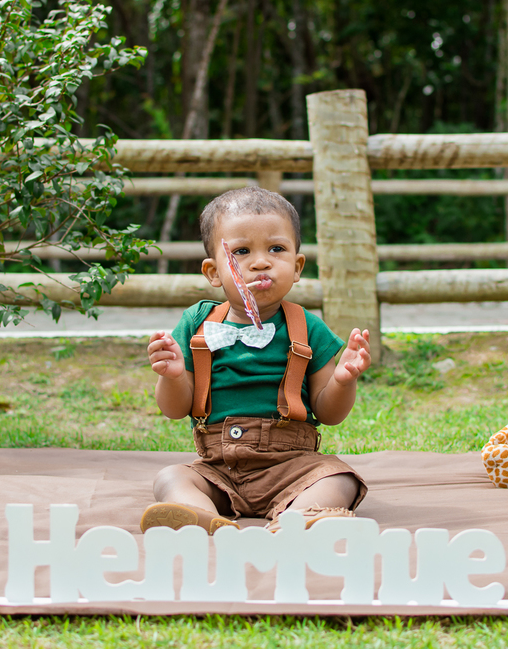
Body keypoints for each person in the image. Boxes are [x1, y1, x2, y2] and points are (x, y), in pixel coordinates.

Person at [142, 187, 373, 533]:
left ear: (297, 266)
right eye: (241, 251)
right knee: (171, 476)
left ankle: (300, 516)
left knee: (340, 477)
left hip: (293, 466)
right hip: (219, 469)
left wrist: (343, 380)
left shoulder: (309, 328)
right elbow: (175, 409)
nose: (261, 262)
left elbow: (329, 414)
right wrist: (172, 376)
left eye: (276, 249)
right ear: (213, 272)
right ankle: (200, 514)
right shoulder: (197, 325)